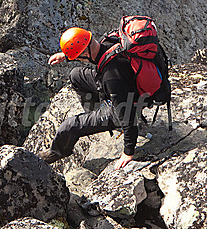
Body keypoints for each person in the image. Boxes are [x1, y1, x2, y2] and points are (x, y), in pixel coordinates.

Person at [38, 26, 141, 170]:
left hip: (121, 107)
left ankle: (56, 152)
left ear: (86, 51)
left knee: (70, 126)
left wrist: (128, 152)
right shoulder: (109, 42)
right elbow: (92, 56)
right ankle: (95, 114)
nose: (80, 60)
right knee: (76, 75)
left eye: (79, 56)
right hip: (124, 85)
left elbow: (127, 114)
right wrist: (66, 56)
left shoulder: (111, 77)